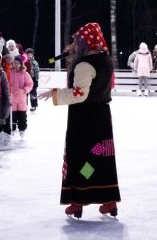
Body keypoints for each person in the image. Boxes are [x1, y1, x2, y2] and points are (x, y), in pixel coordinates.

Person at [38, 22, 121, 219]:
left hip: (84, 119)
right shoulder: (106, 59)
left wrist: (55, 94)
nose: (74, 44)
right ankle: (109, 199)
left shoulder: (85, 65)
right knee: (101, 158)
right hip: (101, 117)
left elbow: (80, 94)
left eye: (77, 41)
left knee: (81, 157)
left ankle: (77, 201)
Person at [5, 55, 34, 140]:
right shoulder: (9, 72)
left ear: (21, 64)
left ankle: (22, 131)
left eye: (18, 63)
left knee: (22, 117)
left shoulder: (25, 73)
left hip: (22, 99)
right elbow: (6, 84)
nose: (16, 65)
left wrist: (24, 90)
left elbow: (30, 84)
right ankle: (12, 131)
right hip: (12, 98)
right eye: (14, 63)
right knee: (12, 117)